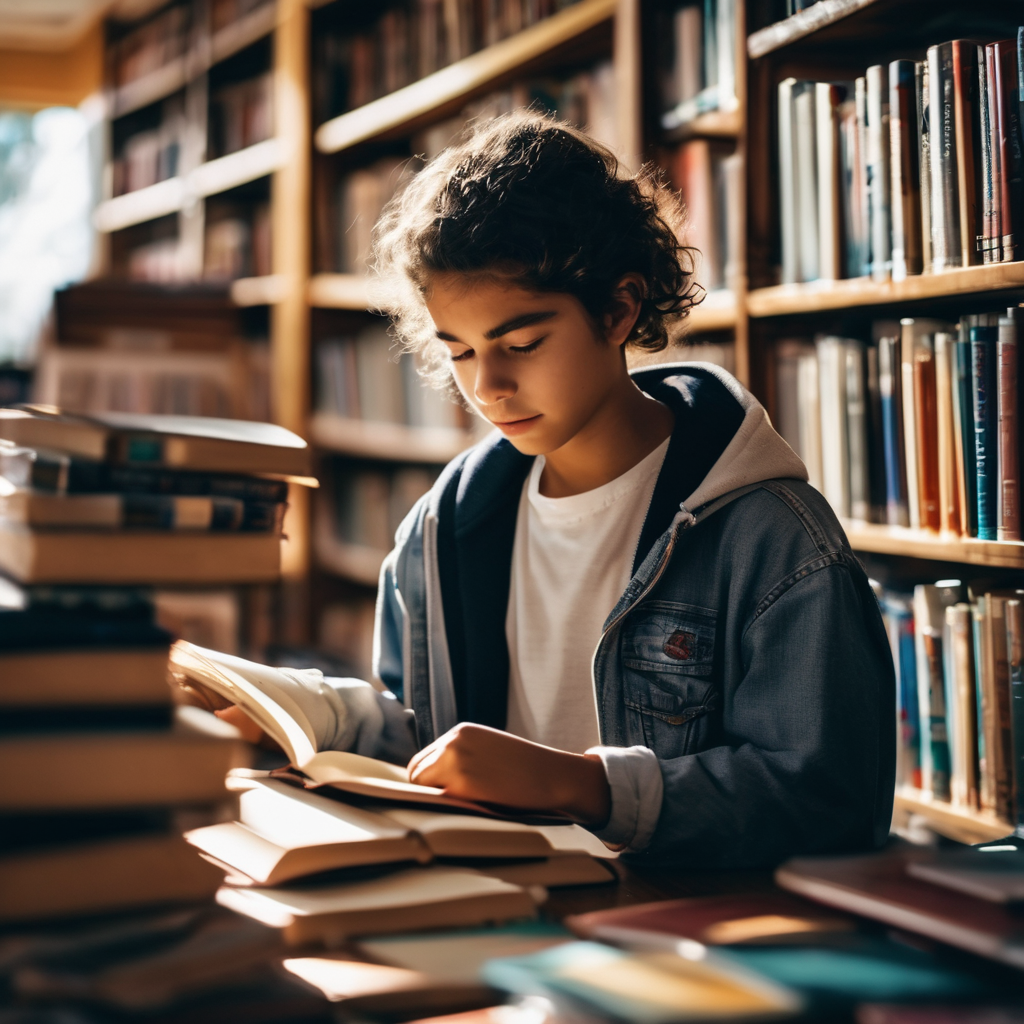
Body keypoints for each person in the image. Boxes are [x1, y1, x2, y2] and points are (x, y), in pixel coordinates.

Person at [223, 111, 895, 867]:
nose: (489, 387)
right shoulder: (443, 528)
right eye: (461, 352)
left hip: (685, 939)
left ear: (619, 309)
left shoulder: (771, 537)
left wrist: (585, 785)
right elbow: (424, 735)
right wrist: (296, 715)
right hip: (485, 910)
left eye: (521, 344)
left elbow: (831, 804)